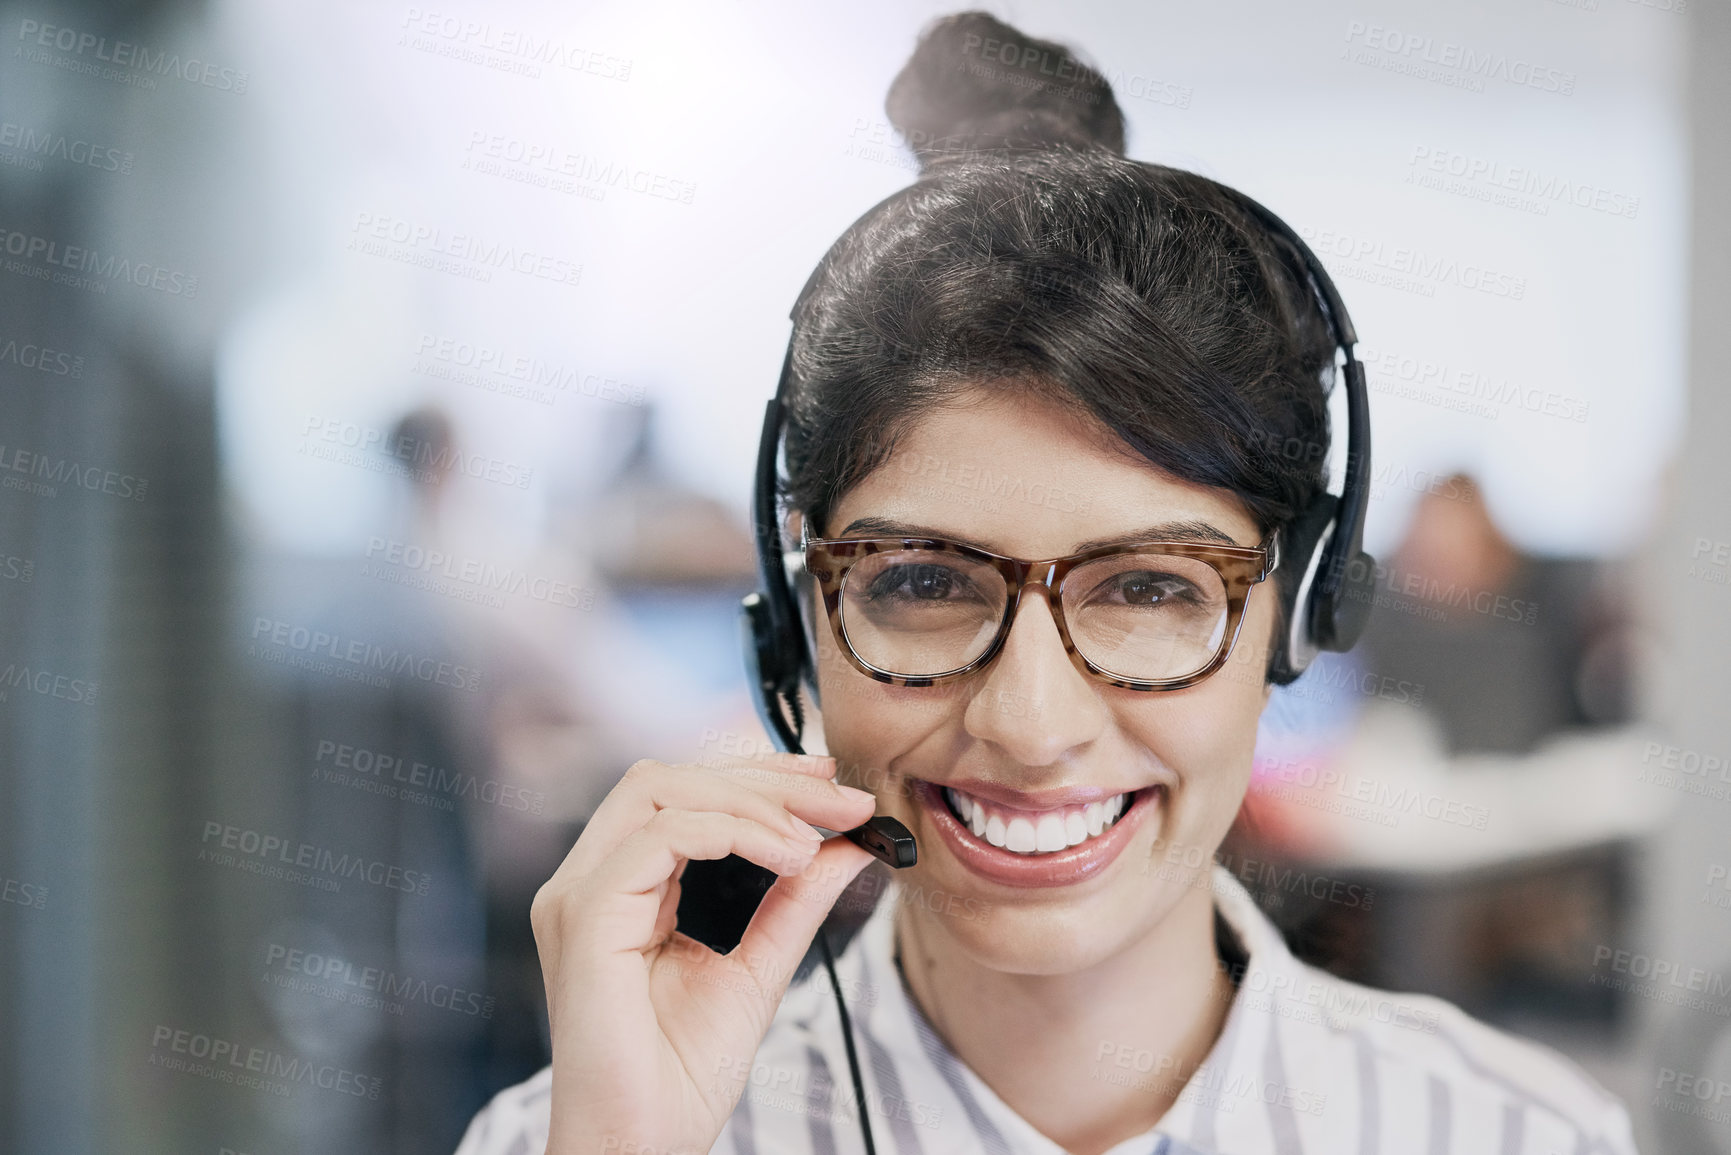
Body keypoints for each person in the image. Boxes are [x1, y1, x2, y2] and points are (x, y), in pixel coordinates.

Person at [453, 12, 1638, 1155]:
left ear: (1298, 607)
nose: (1030, 725)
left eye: (1151, 590)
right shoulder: (569, 1140)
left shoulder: (1524, 1135)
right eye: (920, 581)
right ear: (799, 609)